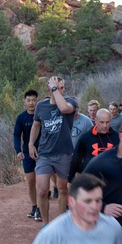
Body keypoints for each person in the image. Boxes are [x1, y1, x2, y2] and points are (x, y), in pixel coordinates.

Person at [29, 76, 78, 225]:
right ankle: (46, 225)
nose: (61, 90)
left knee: (63, 189)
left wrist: (56, 90)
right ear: (49, 90)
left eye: (62, 87)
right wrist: (31, 143)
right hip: (45, 153)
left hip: (64, 153)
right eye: (57, 87)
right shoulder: (41, 106)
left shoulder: (71, 102)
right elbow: (36, 125)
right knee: (42, 190)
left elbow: (63, 109)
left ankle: (60, 224)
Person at [13, 89, 41, 221]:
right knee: (31, 182)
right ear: (24, 102)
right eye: (28, 100)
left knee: (42, 182)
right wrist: (18, 150)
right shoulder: (21, 118)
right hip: (27, 153)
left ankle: (41, 208)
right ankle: (34, 206)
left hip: (43, 152)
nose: (31, 103)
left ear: (38, 101)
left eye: (33, 100)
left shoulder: (42, 115)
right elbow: (17, 135)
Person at [70, 108, 120, 181]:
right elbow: (76, 158)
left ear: (111, 121)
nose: (105, 125)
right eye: (101, 122)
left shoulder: (117, 137)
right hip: (91, 179)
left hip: (111, 179)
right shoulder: (85, 138)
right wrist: (70, 178)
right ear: (95, 120)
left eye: (107, 122)